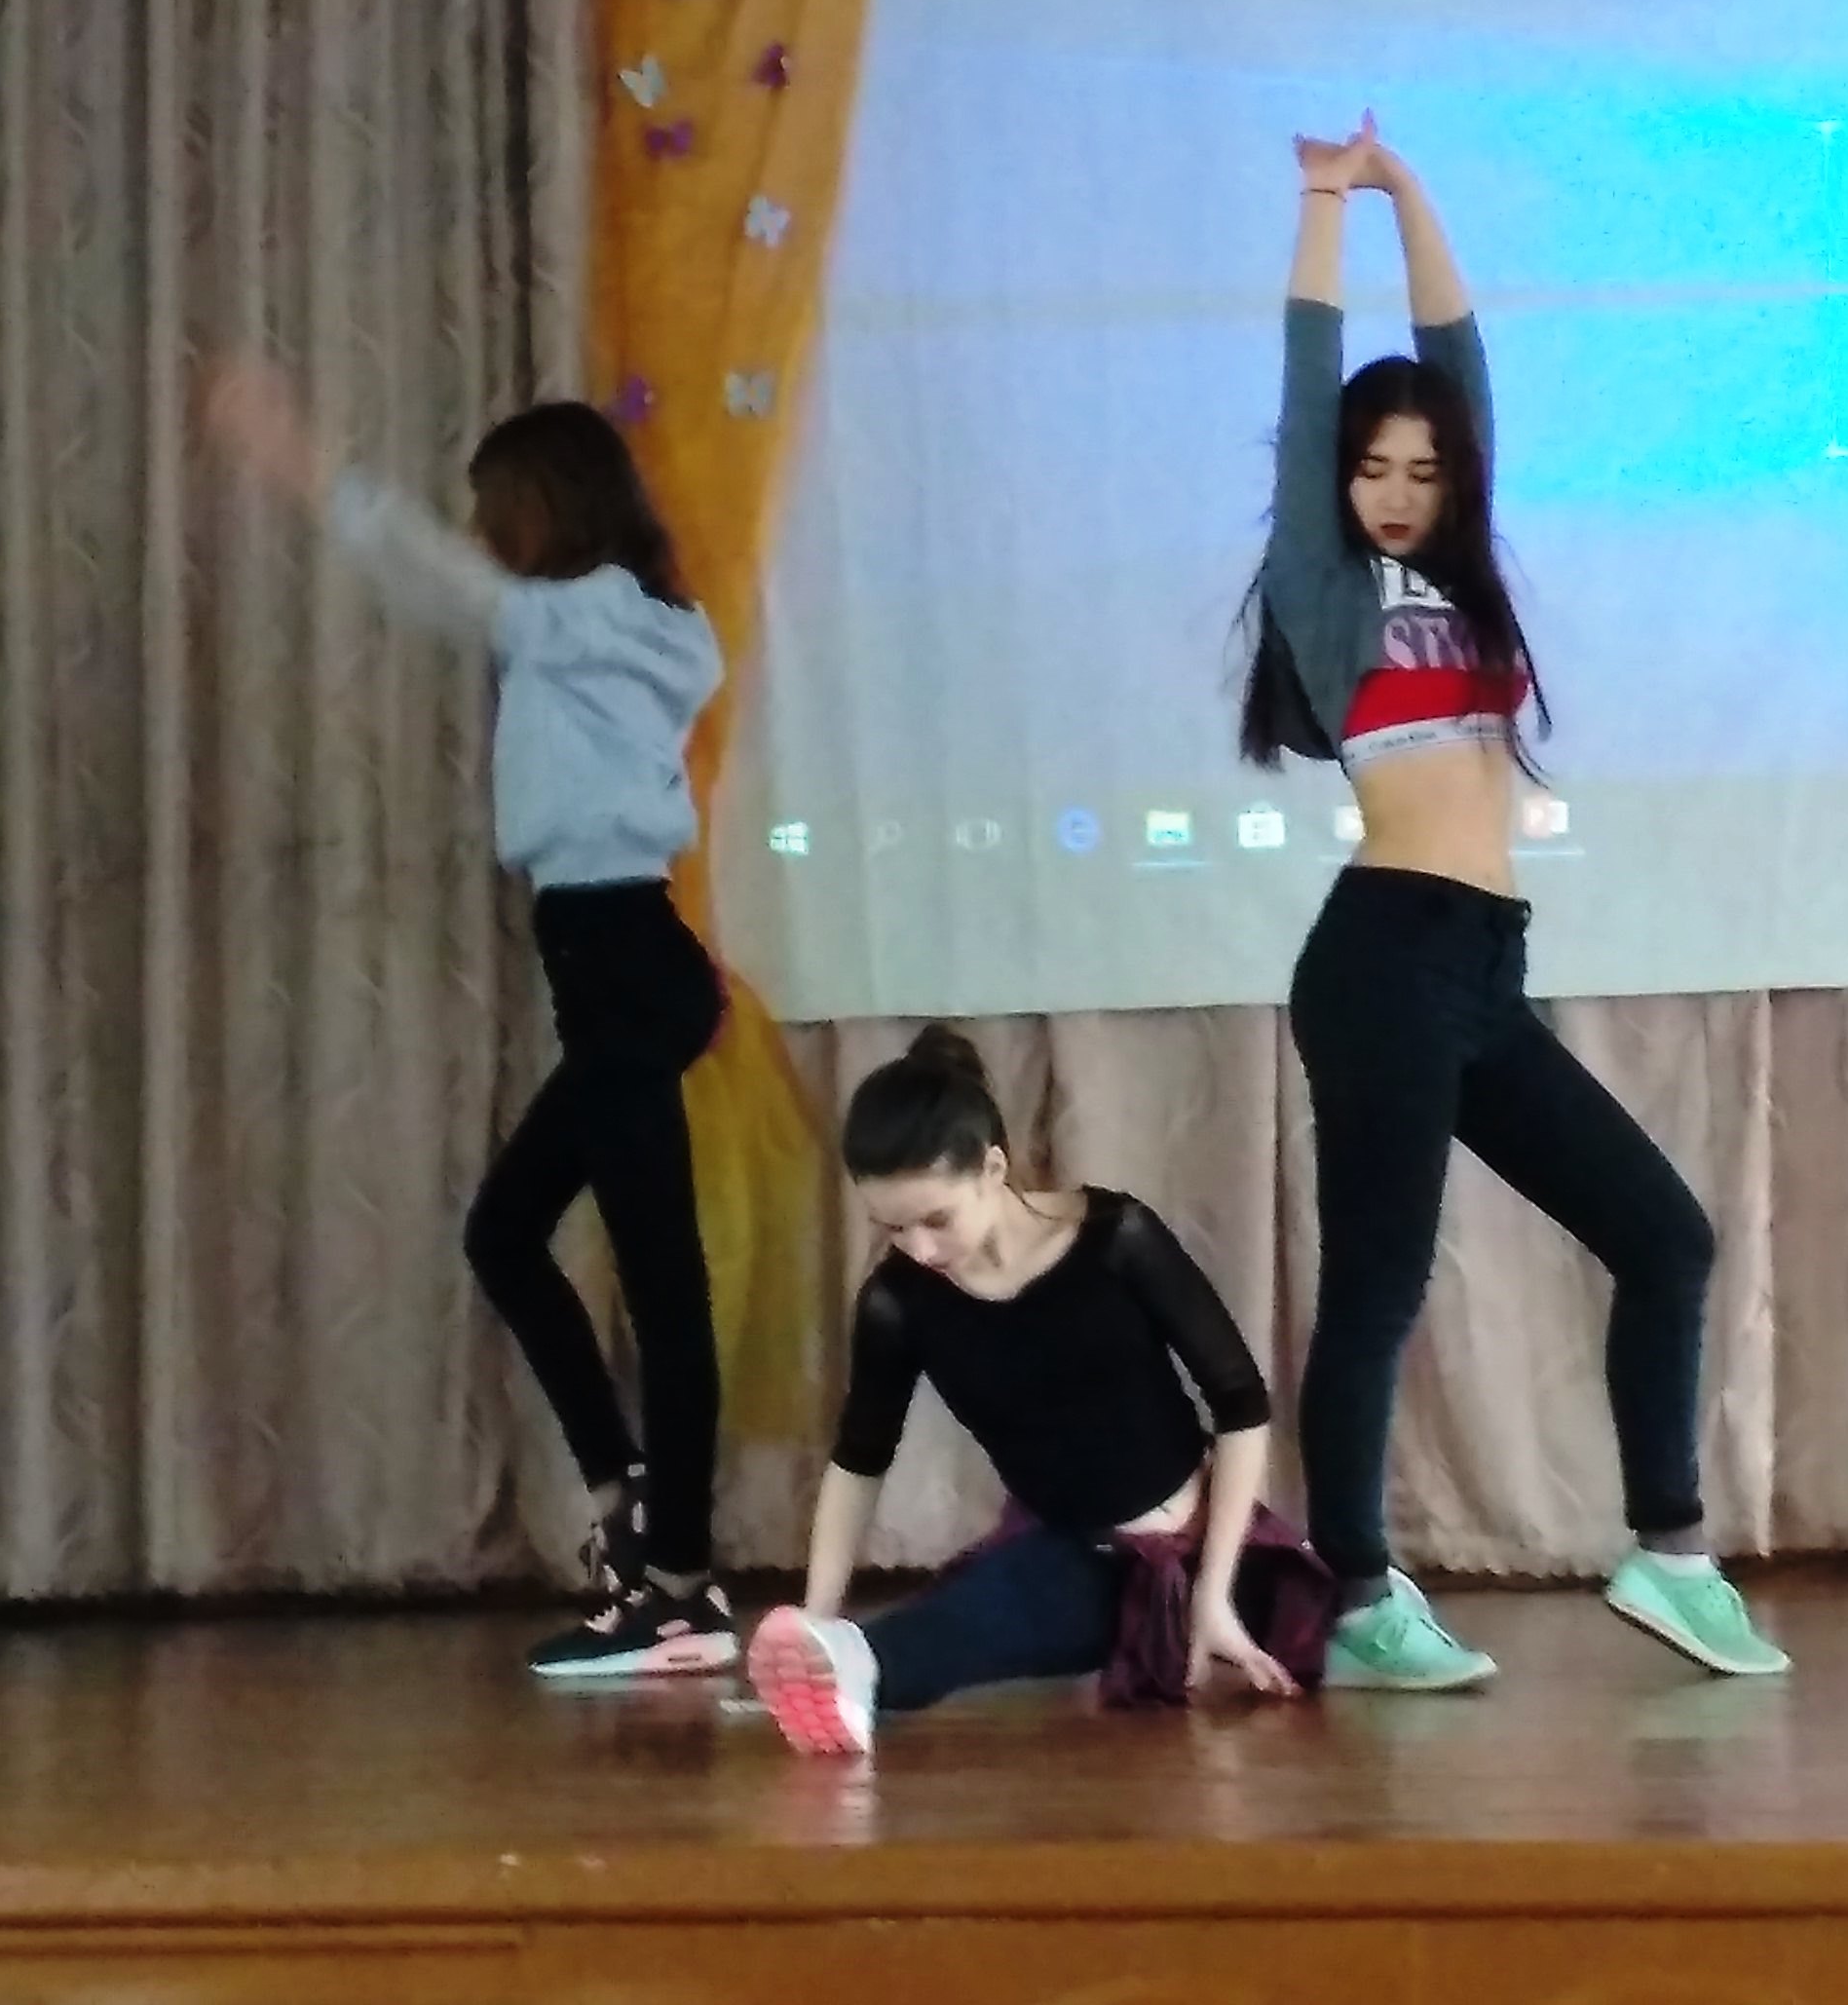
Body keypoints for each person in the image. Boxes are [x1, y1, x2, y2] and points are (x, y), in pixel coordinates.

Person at [1240, 116, 1786, 1692]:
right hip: (1384, 958)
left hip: (1482, 966)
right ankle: (1359, 1597)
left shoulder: (1466, 573)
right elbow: (1307, 381)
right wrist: (1325, 204)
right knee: (1380, 1290)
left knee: (1665, 1240)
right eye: (1373, 468)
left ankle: (1670, 1556)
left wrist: (1412, 186)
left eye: (1422, 471)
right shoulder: (1326, 588)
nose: (1396, 491)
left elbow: (1461, 366)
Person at [204, 361, 744, 1681]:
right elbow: (460, 593)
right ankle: (631, 1512)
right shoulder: (628, 622)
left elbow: (440, 583)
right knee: (507, 1233)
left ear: (547, 506)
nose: (485, 532)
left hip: (621, 959)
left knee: (661, 1285)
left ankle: (681, 1587)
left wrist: (303, 464)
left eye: (496, 507)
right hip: (618, 960)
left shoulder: (584, 617)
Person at [747, 1029, 1333, 1756]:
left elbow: (1242, 1405)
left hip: (1201, 1552)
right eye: (893, 1228)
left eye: (936, 1220)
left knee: (1289, 1615)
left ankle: (857, 1668)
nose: (919, 1249)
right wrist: (818, 1615)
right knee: (990, 1604)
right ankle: (846, 1663)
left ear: (993, 1168)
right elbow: (858, 1461)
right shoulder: (899, 1303)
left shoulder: (1116, 1238)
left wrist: (1213, 1593)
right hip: (1066, 1551)